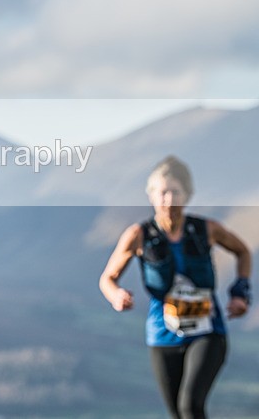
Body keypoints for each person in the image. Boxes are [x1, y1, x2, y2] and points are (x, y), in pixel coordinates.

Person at [99, 155, 252, 419]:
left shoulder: (207, 229)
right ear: (151, 195)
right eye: (162, 192)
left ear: (188, 194)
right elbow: (107, 279)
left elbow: (243, 252)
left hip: (208, 332)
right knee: (177, 414)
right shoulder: (139, 235)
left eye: (175, 192)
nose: (169, 200)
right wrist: (116, 296)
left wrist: (240, 292)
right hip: (163, 335)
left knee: (190, 407)